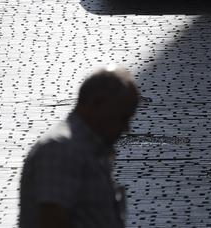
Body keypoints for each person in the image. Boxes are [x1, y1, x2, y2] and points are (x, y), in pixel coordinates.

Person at [19, 66, 141, 228]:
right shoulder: (61, 150)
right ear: (98, 104)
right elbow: (52, 221)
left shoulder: (89, 150)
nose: (126, 128)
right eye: (122, 116)